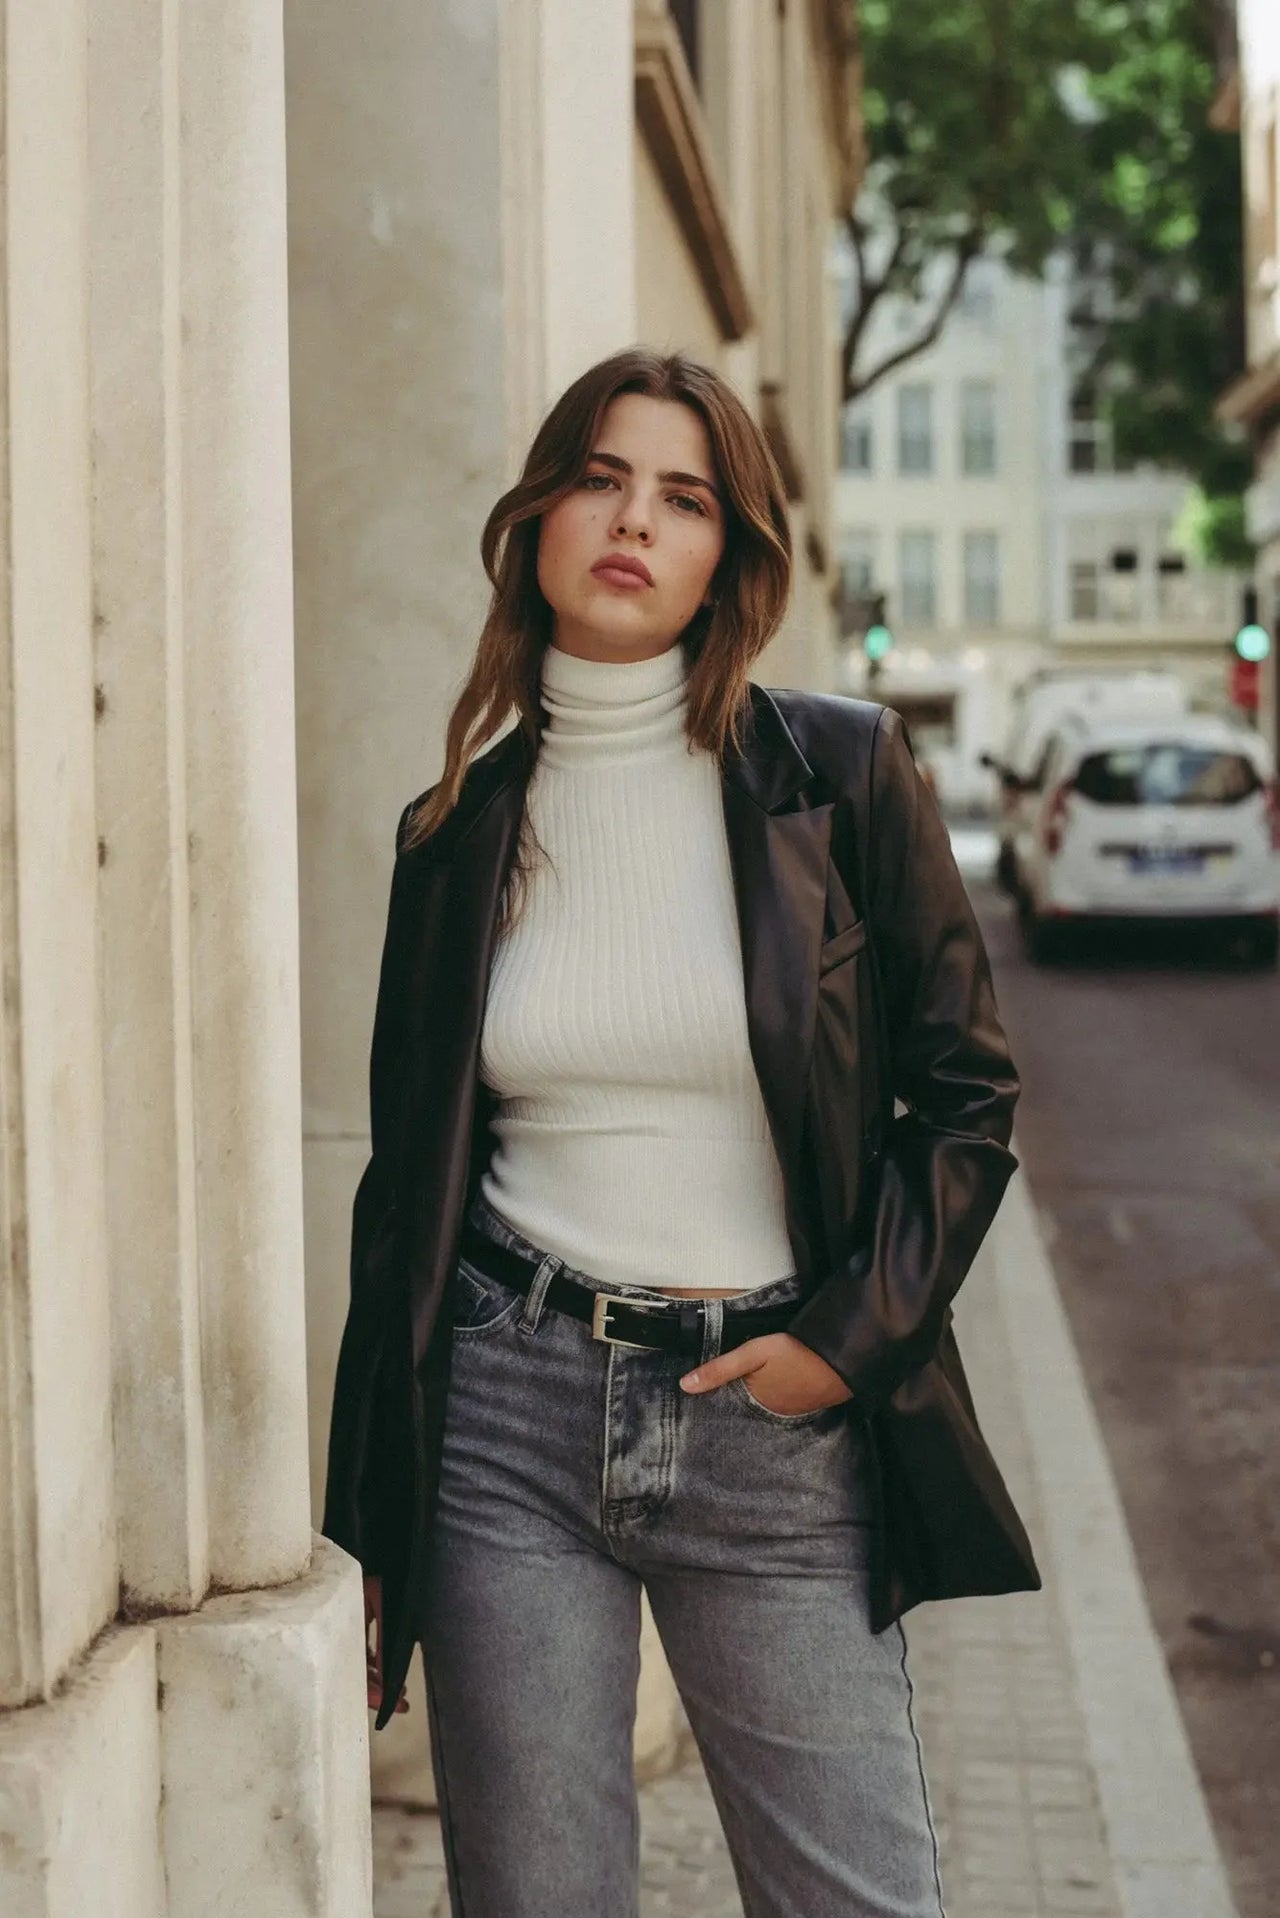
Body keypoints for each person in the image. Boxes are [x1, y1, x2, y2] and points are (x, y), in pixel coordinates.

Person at [322, 347, 1038, 1918]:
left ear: (730, 551)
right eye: (600, 477)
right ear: (540, 519)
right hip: (507, 1419)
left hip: (773, 1421)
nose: (634, 521)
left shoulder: (838, 775)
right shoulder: (451, 836)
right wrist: (371, 1513)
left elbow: (967, 1097)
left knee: (857, 1893)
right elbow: (407, 1192)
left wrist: (846, 1343)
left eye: (683, 494)